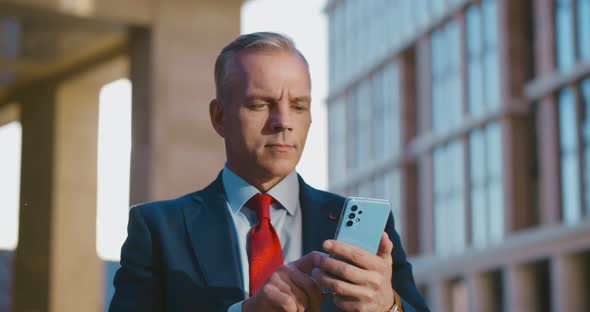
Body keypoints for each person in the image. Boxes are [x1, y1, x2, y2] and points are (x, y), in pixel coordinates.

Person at [109, 32, 429, 312]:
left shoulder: (372, 230)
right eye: (261, 104)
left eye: (299, 106)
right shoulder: (157, 230)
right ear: (219, 117)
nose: (284, 121)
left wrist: (388, 307)